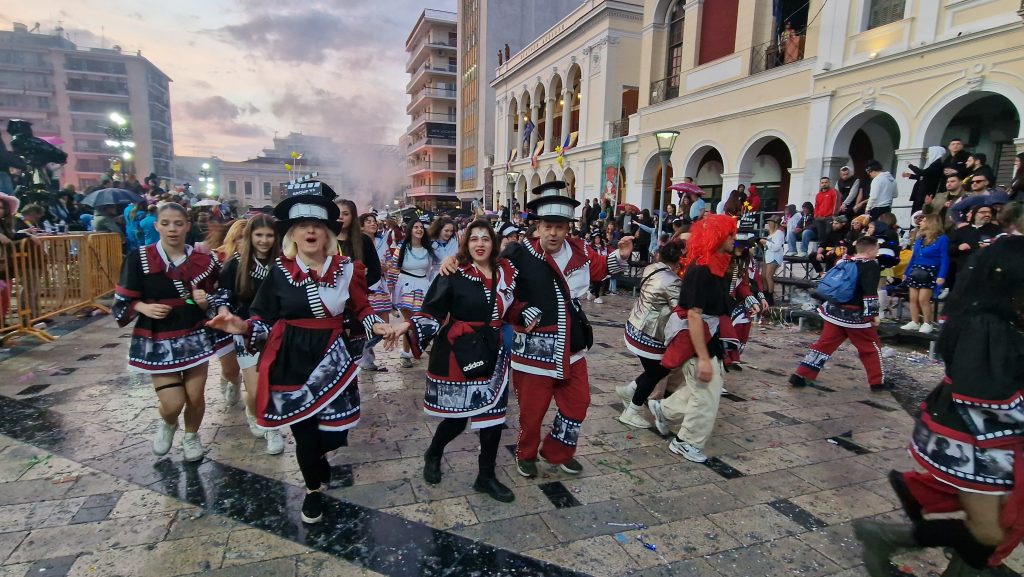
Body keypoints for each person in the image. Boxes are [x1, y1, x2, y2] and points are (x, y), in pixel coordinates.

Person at [207, 179, 392, 524]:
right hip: (290, 356)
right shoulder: (279, 272)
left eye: (317, 226)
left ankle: (317, 459)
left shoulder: (348, 270)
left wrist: (378, 325)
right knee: (304, 433)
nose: (310, 231)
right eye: (302, 226)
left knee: (335, 433)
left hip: (333, 357)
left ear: (328, 234)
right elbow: (263, 316)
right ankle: (312, 491)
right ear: (291, 234)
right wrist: (244, 327)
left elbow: (362, 310)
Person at [852, 236, 1024, 577]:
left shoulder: (991, 320)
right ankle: (886, 537)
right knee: (989, 530)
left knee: (998, 524)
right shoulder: (984, 326)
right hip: (976, 441)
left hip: (986, 438)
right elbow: (984, 393)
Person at [441, 181, 632, 478]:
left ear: (568, 227)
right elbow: (492, 278)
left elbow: (599, 270)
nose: (553, 233)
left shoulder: (579, 250)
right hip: (533, 349)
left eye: (560, 227)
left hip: (572, 345)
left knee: (578, 404)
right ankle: (526, 453)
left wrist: (620, 256)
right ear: (538, 226)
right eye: (548, 226)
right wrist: (455, 260)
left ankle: (558, 451)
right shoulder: (518, 253)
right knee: (532, 412)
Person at [395, 220, 517, 502]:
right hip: (459, 351)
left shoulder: (507, 272)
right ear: (466, 244)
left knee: (493, 420)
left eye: (485, 238)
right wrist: (410, 327)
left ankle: (485, 477)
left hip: (494, 353)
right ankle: (434, 452)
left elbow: (514, 306)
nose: (480, 244)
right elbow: (433, 310)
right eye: (474, 239)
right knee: (457, 417)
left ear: (494, 243)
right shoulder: (453, 272)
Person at [113, 203, 230, 462]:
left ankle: (191, 436)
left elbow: (220, 297)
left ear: (188, 226)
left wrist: (204, 302)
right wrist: (142, 306)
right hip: (158, 336)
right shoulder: (139, 258)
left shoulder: (206, 261)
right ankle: (168, 422)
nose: (172, 229)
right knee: (173, 402)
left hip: (194, 334)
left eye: (178, 223)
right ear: (156, 225)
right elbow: (122, 300)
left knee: (195, 396)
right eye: (165, 223)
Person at [647, 215, 737, 463]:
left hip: (708, 335)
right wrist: (704, 358)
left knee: (706, 389)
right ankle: (686, 442)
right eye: (730, 234)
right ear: (718, 236)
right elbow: (694, 317)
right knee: (706, 395)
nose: (734, 239)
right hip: (696, 337)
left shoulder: (717, 265)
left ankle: (663, 410)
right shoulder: (701, 270)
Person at [212, 214, 285, 455]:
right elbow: (223, 295)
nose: (264, 240)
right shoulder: (235, 264)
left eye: (269, 235)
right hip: (246, 332)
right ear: (250, 236)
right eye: (259, 235)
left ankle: (272, 428)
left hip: (278, 331)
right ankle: (253, 411)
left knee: (273, 385)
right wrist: (225, 314)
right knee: (254, 390)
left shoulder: (284, 263)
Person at [789, 236, 886, 391]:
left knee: (823, 346)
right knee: (870, 348)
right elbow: (869, 292)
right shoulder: (871, 265)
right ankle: (877, 382)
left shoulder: (844, 261)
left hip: (834, 312)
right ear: (871, 250)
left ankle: (800, 375)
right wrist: (873, 314)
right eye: (877, 248)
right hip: (856, 316)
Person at [616, 240, 685, 431]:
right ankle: (632, 410)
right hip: (648, 335)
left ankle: (629, 391)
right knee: (658, 372)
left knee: (656, 370)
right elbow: (680, 310)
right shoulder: (673, 281)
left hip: (634, 326)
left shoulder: (652, 268)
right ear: (678, 261)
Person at [393, 217, 437, 368]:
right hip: (405, 285)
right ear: (410, 230)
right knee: (408, 322)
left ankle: (419, 347)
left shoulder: (428, 250)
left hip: (423, 285)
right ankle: (405, 353)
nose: (419, 230)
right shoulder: (402, 248)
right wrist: (390, 291)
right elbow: (393, 268)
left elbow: (431, 269)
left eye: (421, 227)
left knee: (421, 320)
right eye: (416, 227)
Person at [900, 214, 948, 334]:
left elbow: (944, 258)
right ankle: (914, 321)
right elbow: (913, 257)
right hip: (916, 269)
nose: (920, 222)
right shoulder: (920, 240)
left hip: (930, 271)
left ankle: (927, 322)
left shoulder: (942, 239)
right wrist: (907, 271)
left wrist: (942, 275)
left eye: (924, 220)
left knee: (923, 299)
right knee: (912, 298)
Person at [359, 212, 392, 372]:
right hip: (367, 287)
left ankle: (365, 347)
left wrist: (383, 267)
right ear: (361, 225)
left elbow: (389, 262)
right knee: (368, 322)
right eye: (368, 221)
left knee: (385, 322)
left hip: (381, 285)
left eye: (374, 221)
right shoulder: (357, 243)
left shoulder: (382, 242)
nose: (373, 224)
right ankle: (367, 358)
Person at [904, 146, 946, 214]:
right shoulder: (931, 164)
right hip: (921, 193)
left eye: (929, 153)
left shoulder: (936, 165)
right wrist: (910, 175)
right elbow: (924, 177)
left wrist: (910, 165)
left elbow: (923, 173)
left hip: (925, 194)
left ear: (934, 153)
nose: (927, 154)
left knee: (919, 214)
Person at [760, 216, 785, 304]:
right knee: (763, 275)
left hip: (775, 257)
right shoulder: (771, 233)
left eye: (769, 222)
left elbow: (777, 247)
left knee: (768, 276)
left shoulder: (779, 233)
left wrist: (766, 242)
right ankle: (765, 294)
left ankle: (770, 298)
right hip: (768, 256)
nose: (767, 224)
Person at [814, 177, 840, 244]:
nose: (824, 184)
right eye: (822, 183)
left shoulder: (833, 192)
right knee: (821, 235)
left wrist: (834, 215)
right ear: (820, 184)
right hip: (819, 218)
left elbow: (836, 203)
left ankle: (828, 250)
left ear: (829, 183)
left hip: (829, 217)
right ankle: (820, 251)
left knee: (829, 234)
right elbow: (816, 206)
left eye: (826, 182)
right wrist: (816, 215)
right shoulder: (818, 195)